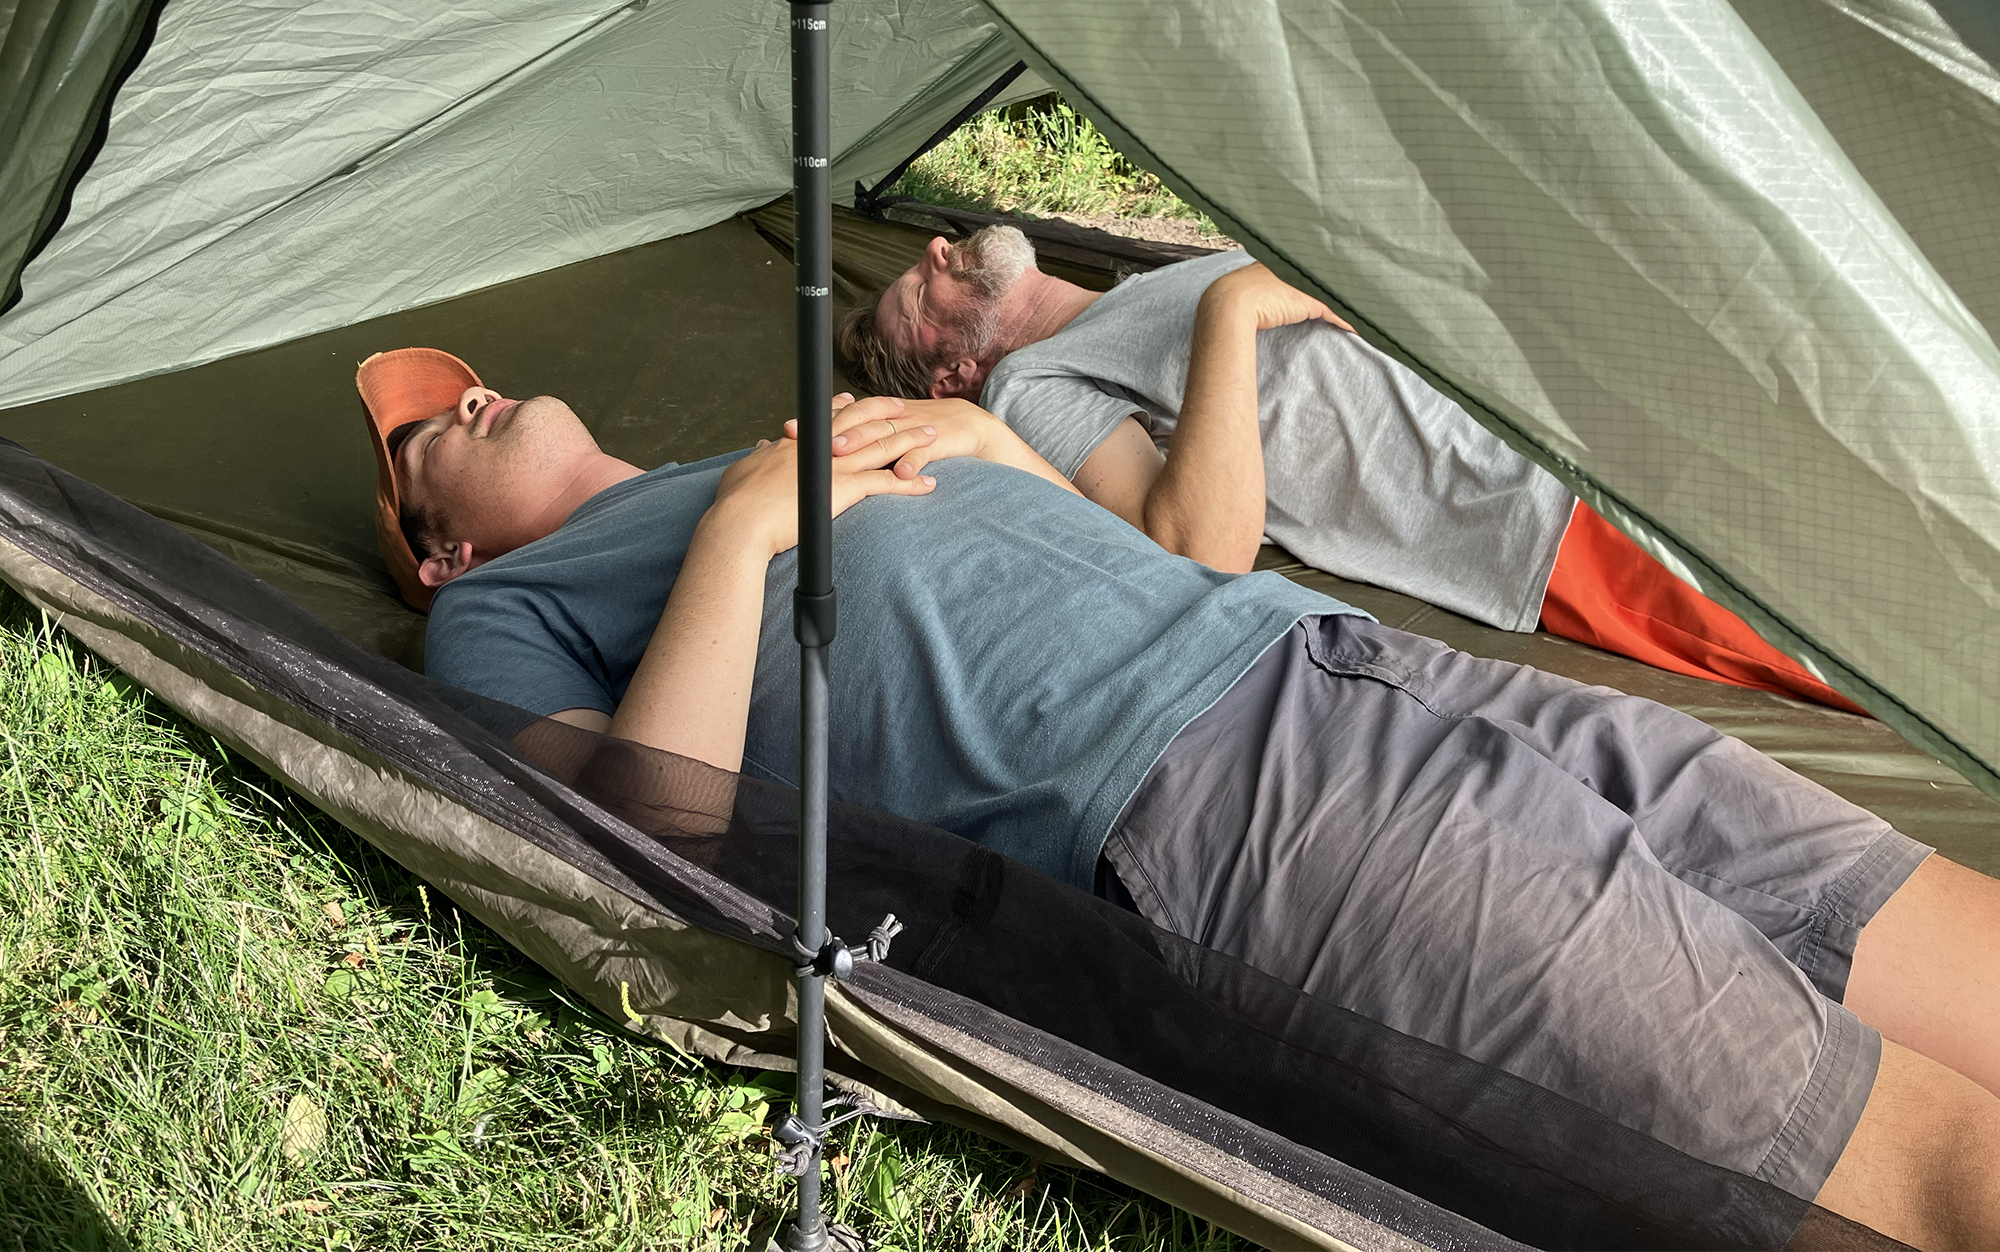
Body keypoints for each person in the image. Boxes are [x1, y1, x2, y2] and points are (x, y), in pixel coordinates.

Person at [357, 346, 2000, 1248]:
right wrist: (741, 529)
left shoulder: (795, 426)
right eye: (424, 430)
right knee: (1919, 1166)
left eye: (460, 378)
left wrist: (1001, 466)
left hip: (1355, 663)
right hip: (1239, 810)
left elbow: (1150, 570)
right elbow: (650, 845)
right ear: (434, 546)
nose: (462, 393)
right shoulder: (506, 609)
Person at [838, 226, 1863, 712]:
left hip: (1600, 407)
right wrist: (1228, 311)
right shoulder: (1031, 388)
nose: (931, 249)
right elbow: (1198, 547)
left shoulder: (1131, 290)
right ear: (951, 372)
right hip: (1540, 513)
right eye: (915, 293)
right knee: (1878, 636)